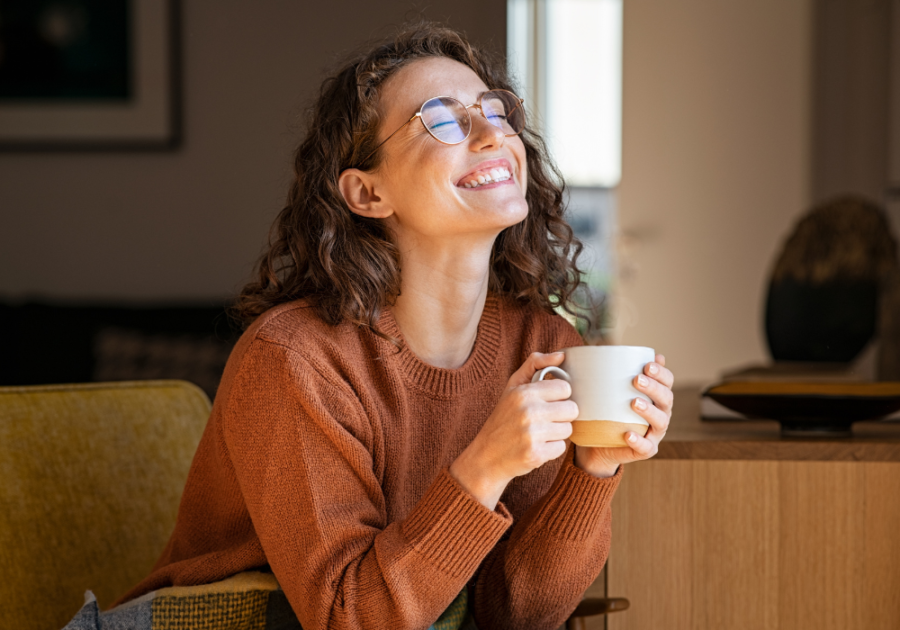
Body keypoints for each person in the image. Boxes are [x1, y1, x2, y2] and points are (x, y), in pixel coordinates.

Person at [116, 23, 674, 630]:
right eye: (442, 120)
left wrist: (592, 468)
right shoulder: (295, 360)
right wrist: (484, 467)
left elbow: (509, 615)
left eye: (496, 110)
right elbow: (345, 619)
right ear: (367, 192)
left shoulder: (542, 346)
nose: (492, 134)